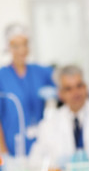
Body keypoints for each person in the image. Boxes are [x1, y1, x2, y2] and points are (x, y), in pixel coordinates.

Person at [0, 24, 55, 156]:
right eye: (16, 46)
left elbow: (64, 85)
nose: (22, 50)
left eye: (25, 44)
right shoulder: (2, 76)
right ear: (8, 47)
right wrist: (3, 153)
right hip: (12, 147)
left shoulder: (40, 71)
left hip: (41, 144)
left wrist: (55, 93)